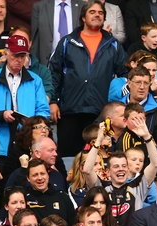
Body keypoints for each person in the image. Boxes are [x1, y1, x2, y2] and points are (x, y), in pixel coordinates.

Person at [48, 0, 129, 158]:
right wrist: (53, 102)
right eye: (92, 12)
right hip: (70, 109)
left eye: (100, 13)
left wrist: (116, 102)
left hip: (99, 112)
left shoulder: (113, 45)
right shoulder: (67, 42)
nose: (97, 15)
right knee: (68, 157)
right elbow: (54, 73)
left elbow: (126, 74)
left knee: (98, 157)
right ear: (83, 17)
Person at [0, 34, 50, 168]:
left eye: (22, 56)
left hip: (27, 141)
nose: (19, 60)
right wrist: (1, 115)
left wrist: (31, 123)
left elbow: (44, 112)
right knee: (2, 184)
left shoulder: (36, 80)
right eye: (15, 55)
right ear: (5, 54)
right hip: (0, 144)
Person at [23, 159, 76, 226]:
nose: (39, 178)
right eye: (35, 175)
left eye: (42, 174)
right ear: (28, 178)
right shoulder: (24, 198)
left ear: (48, 175)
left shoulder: (63, 197)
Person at [30, 0, 81, 67]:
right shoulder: (40, 7)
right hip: (48, 64)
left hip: (76, 63)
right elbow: (35, 41)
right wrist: (34, 65)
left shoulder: (82, 6)